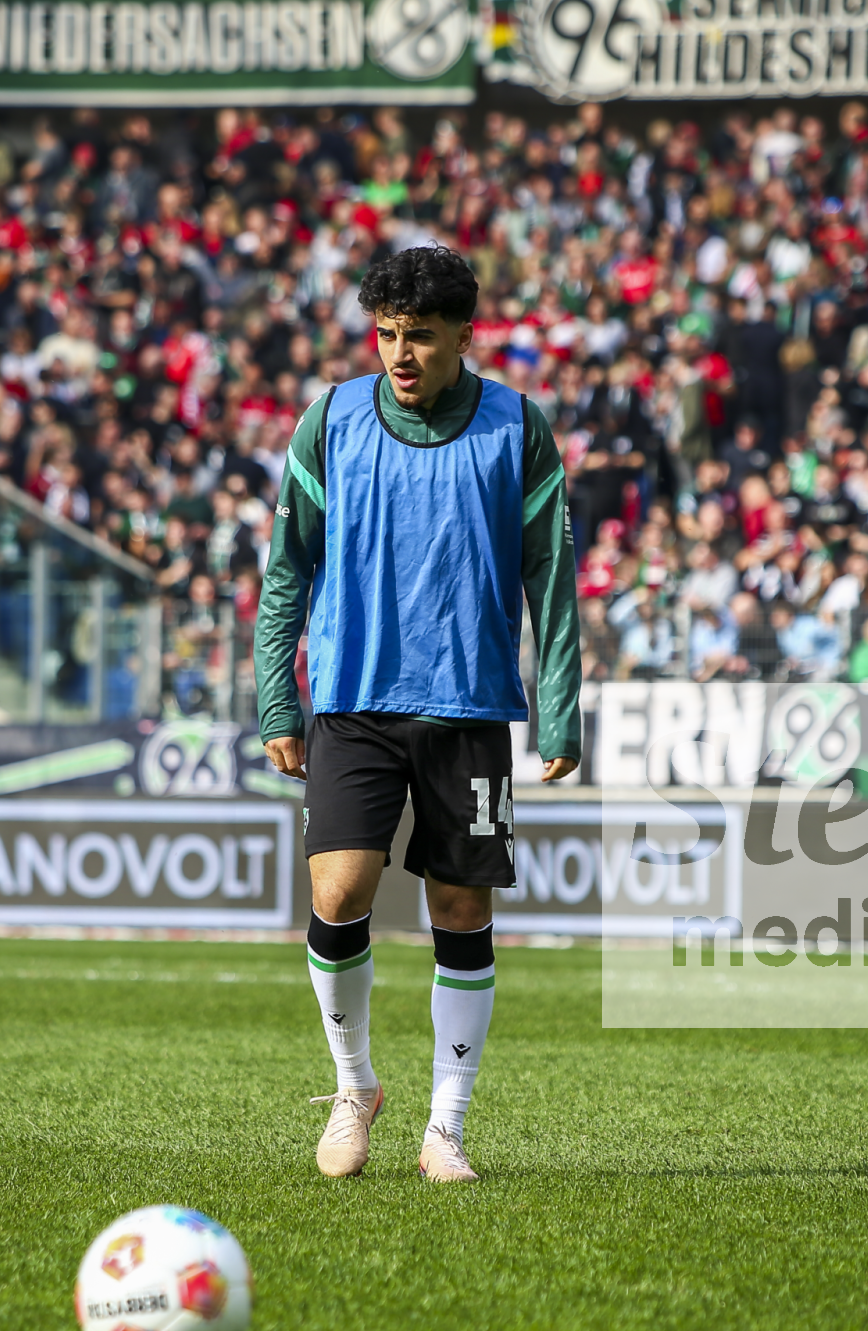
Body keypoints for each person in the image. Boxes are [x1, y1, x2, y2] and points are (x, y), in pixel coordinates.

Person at [255, 246, 581, 1184]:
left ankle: (447, 1125)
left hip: (468, 705)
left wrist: (559, 710)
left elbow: (552, 576)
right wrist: (278, 696)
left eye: (422, 336)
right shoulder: (332, 419)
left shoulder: (517, 426)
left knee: (461, 908)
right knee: (338, 893)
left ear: (464, 336)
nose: (401, 353)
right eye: (388, 334)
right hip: (352, 700)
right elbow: (286, 569)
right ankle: (354, 1087)